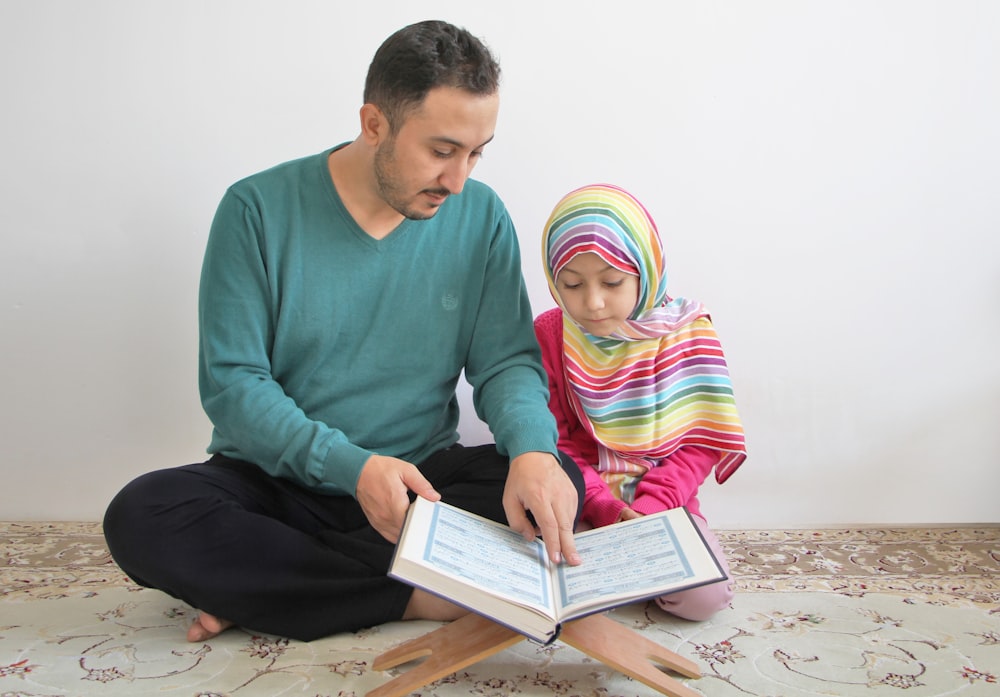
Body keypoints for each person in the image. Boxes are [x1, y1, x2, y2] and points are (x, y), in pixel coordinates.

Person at [103, 20, 584, 643]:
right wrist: (353, 469)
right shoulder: (254, 211)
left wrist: (532, 453)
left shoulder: (482, 215)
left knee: (556, 477)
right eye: (441, 151)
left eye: (476, 152)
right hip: (276, 483)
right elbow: (233, 387)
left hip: (421, 485)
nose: (459, 179)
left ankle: (275, 588)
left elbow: (505, 364)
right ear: (374, 124)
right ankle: (411, 594)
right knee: (143, 516)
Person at [534, 183, 747, 621]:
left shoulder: (688, 331)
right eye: (571, 284)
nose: (592, 303)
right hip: (579, 498)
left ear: (645, 270)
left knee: (705, 598)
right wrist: (605, 509)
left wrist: (649, 512)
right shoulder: (552, 333)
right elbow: (556, 441)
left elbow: (701, 443)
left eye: (612, 282)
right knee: (535, 576)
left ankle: (630, 573)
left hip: (664, 505)